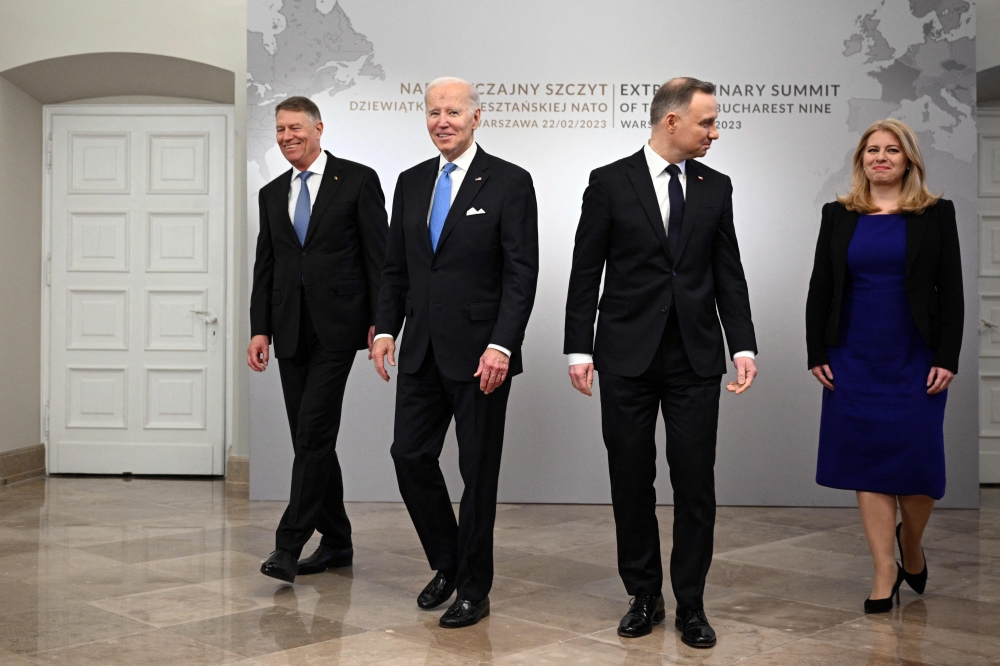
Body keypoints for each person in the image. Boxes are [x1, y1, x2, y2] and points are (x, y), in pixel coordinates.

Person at [563, 77, 757, 647]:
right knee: (631, 478)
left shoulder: (715, 186)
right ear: (671, 121)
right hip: (625, 355)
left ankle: (691, 604)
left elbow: (729, 273)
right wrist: (580, 347)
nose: (715, 132)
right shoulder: (608, 183)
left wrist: (741, 345)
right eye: (706, 122)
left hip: (695, 357)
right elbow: (584, 272)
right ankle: (643, 594)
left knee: (695, 483)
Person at [370, 77, 538, 629]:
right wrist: (384, 330)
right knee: (409, 455)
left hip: (480, 356)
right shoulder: (411, 182)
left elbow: (521, 274)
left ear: (476, 117)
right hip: (418, 349)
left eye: (454, 112)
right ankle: (447, 561)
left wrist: (502, 345)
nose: (443, 120)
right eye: (434, 112)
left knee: (477, 473)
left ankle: (473, 587)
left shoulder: (511, 183)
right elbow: (396, 267)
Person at [806, 118, 963, 613]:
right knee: (867, 463)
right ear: (861, 161)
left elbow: (952, 293)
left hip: (915, 356)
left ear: (908, 159)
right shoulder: (839, 215)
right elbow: (821, 288)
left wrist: (947, 356)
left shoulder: (937, 214)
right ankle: (884, 569)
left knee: (918, 470)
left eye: (891, 150)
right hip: (853, 354)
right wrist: (817, 351)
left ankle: (910, 543)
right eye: (872, 150)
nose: (880, 157)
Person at [249, 96, 388, 583]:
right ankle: (338, 540)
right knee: (311, 439)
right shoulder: (270, 193)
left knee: (311, 432)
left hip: (338, 327)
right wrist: (259, 328)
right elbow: (266, 267)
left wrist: (381, 320)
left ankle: (287, 546)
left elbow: (379, 257)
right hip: (288, 330)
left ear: (319, 129)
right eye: (280, 129)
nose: (287, 136)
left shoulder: (357, 180)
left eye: (295, 128)